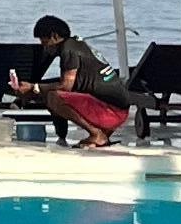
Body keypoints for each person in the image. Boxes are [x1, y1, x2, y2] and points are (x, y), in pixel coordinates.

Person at [30, 12, 127, 144]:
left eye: (45, 42)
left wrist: (34, 87)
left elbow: (65, 86)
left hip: (112, 113)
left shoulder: (68, 50)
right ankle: (63, 137)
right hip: (117, 109)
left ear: (54, 36)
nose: (44, 47)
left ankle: (97, 134)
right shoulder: (76, 43)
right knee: (51, 93)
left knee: (53, 96)